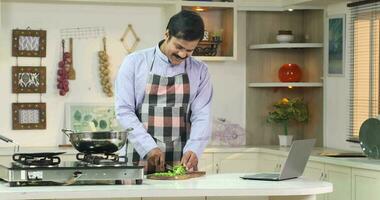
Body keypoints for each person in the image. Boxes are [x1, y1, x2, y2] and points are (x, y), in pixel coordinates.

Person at [115, 10, 213, 173]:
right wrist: (148, 148)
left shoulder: (200, 71)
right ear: (167, 34)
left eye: (189, 50)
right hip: (139, 155)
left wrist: (194, 148)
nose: (182, 54)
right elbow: (124, 111)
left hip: (181, 160)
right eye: (179, 47)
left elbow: (202, 114)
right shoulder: (134, 63)